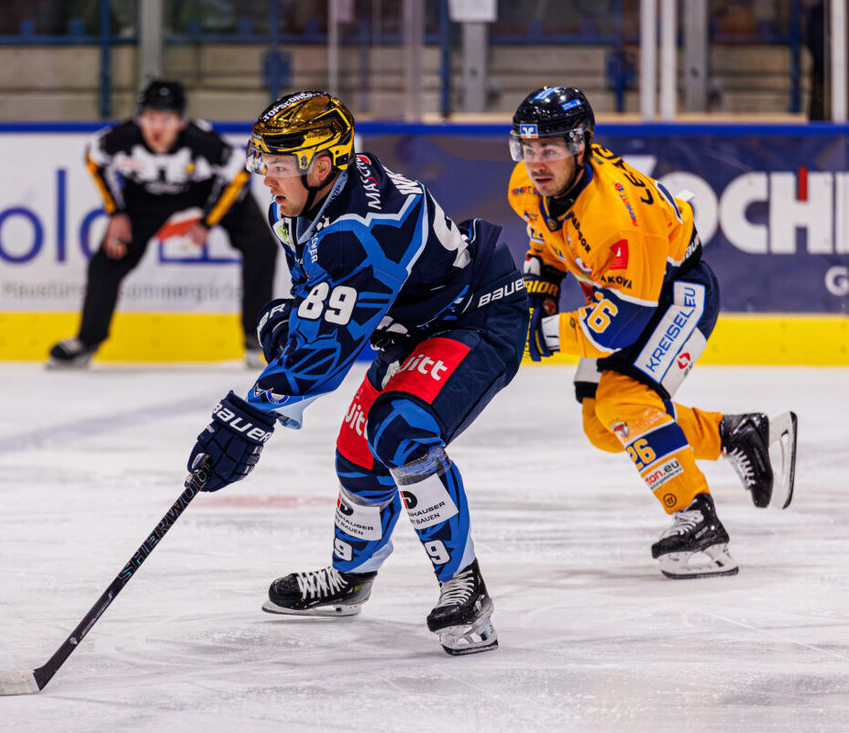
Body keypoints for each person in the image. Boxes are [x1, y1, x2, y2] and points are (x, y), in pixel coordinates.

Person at [184, 91, 531, 655]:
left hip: (477, 319)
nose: (266, 180)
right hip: (413, 328)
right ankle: (350, 577)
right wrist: (292, 316)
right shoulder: (298, 207)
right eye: (263, 163)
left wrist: (250, 415)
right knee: (357, 449)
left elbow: (327, 353)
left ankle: (465, 588)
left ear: (320, 165)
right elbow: (319, 299)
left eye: (276, 166)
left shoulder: (370, 225)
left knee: (399, 426)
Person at [506, 86, 799, 579]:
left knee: (625, 402)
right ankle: (737, 434)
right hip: (631, 295)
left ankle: (698, 521)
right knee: (602, 426)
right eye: (527, 148)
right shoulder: (530, 184)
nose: (536, 162)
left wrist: (546, 333)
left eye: (550, 149)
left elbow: (621, 322)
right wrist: (541, 295)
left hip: (676, 295)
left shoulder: (618, 218)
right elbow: (547, 244)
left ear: (580, 146)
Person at [48, 80, 276, 368]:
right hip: (145, 197)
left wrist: (207, 223)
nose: (157, 128)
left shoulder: (201, 140)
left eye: (167, 120)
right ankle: (87, 340)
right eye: (151, 118)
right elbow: (93, 159)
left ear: (181, 122)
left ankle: (255, 338)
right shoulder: (122, 137)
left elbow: (238, 175)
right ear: (138, 118)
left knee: (261, 245)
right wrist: (116, 212)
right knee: (109, 257)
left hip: (204, 191)